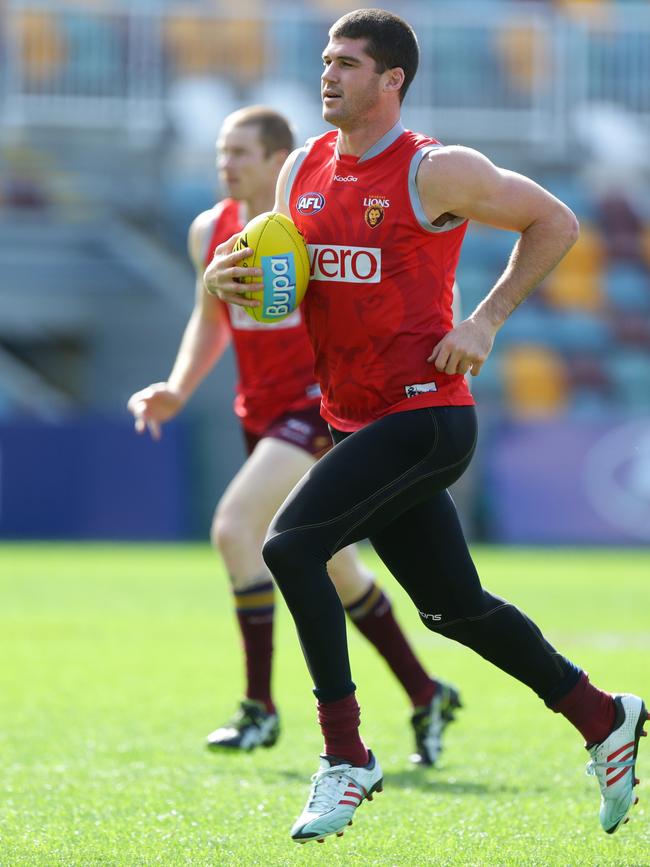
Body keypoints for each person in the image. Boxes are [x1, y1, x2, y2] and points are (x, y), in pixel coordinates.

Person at [204, 10, 648, 845]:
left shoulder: (436, 170)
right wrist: (245, 283)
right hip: (354, 422)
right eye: (325, 60)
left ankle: (347, 755)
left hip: (426, 415)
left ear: (392, 80)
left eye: (347, 63)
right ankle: (603, 713)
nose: (327, 75)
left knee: (290, 544)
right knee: (454, 608)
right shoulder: (300, 168)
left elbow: (555, 219)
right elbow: (298, 283)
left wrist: (483, 321)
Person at [127, 105, 461, 765]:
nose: (227, 164)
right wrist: (176, 386)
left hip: (315, 406)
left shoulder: (306, 227)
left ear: (279, 162)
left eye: (241, 153)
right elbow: (211, 318)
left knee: (234, 527)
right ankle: (427, 693)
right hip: (260, 409)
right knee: (336, 565)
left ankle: (260, 707)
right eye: (222, 151)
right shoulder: (211, 230)